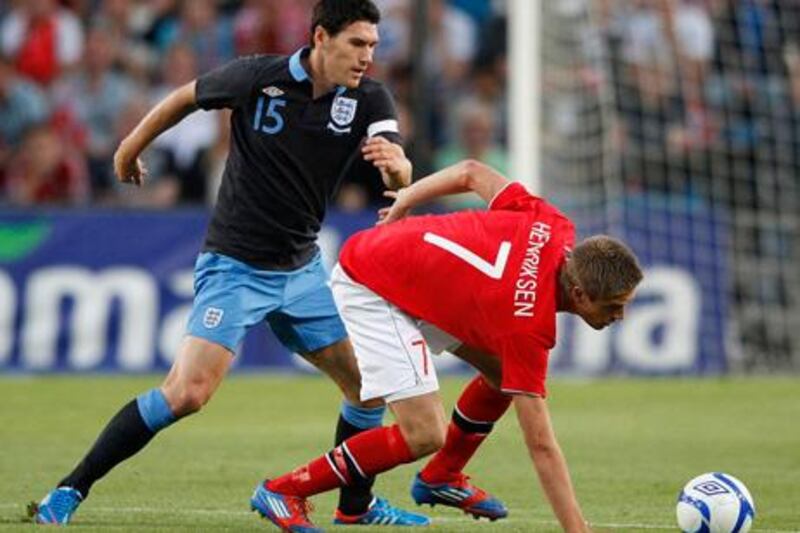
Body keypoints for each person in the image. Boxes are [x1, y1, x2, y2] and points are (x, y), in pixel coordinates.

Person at [29, 0, 428, 527]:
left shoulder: (370, 97)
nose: (367, 57)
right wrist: (130, 148)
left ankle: (354, 509)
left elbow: (396, 170)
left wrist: (401, 170)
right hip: (236, 266)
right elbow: (185, 98)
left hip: (302, 269)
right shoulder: (256, 77)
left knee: (366, 387)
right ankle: (68, 490)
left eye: (373, 46)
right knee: (188, 394)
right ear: (320, 38)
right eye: (357, 43)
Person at [252, 159, 644, 532]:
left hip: (414, 269)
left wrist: (408, 196)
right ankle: (286, 489)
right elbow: (541, 446)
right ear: (578, 293)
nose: (619, 317)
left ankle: (441, 476)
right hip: (373, 281)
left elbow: (471, 172)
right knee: (424, 433)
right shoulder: (528, 327)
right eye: (613, 306)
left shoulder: (554, 225)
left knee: (499, 374)